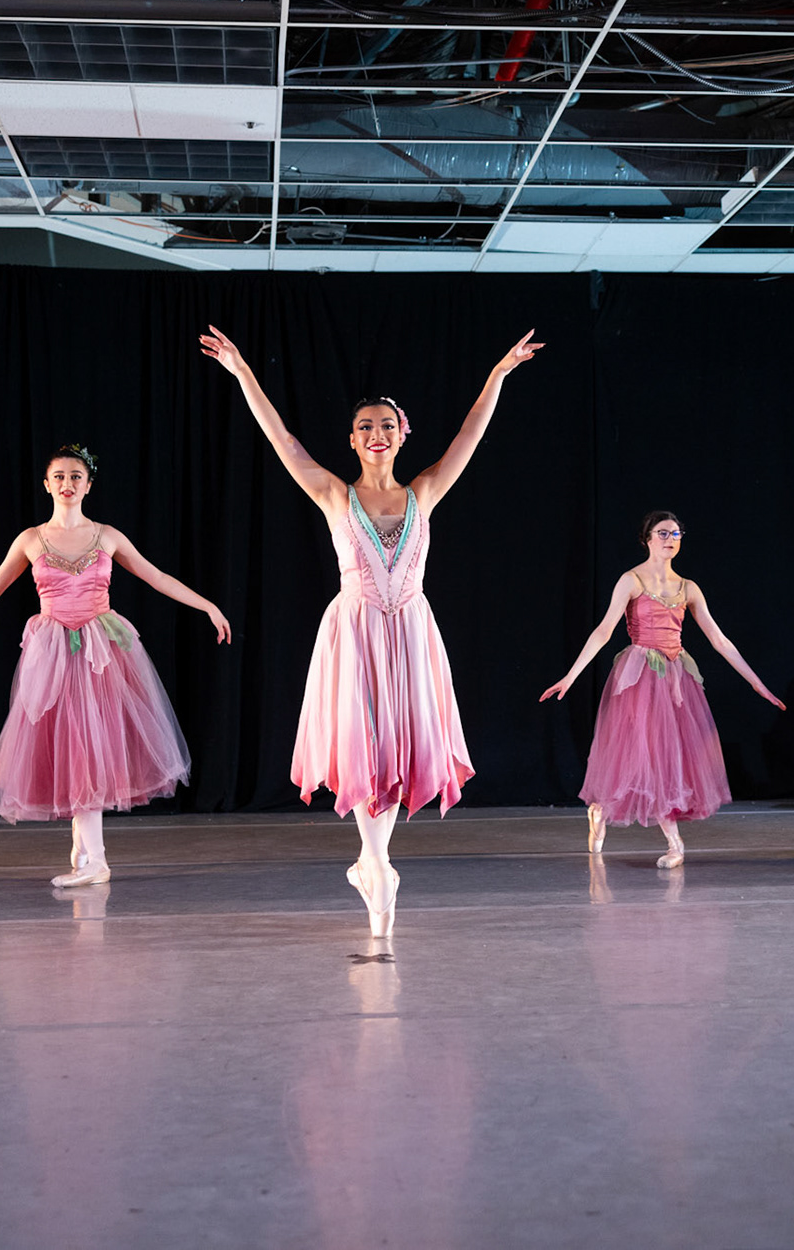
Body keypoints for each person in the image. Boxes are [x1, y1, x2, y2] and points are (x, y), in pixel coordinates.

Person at [199, 324, 541, 936]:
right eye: (365, 426)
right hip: (355, 633)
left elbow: (469, 434)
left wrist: (498, 374)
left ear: (401, 433)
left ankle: (373, 864)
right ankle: (378, 866)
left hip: (408, 631)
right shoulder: (334, 494)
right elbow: (282, 440)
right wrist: (243, 371)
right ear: (352, 439)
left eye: (386, 424)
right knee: (364, 743)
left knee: (395, 748)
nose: (376, 433)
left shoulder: (424, 492)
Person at [0, 446, 229, 887]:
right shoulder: (31, 539)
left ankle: (96, 860)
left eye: (76, 476)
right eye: (60, 476)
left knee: (88, 747)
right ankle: (84, 851)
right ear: (47, 485)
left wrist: (207, 605)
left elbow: (156, 576)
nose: (68, 483)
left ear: (88, 485)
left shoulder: (107, 536)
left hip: (100, 654)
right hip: (52, 653)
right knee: (69, 746)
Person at [540, 510, 785, 867]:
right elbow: (604, 631)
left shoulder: (688, 588)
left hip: (675, 678)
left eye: (676, 533)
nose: (671, 539)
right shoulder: (631, 581)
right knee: (642, 756)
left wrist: (756, 682)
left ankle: (662, 840)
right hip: (640, 677)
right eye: (663, 532)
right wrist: (571, 676)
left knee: (665, 759)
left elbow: (719, 640)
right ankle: (612, 816)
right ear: (647, 538)